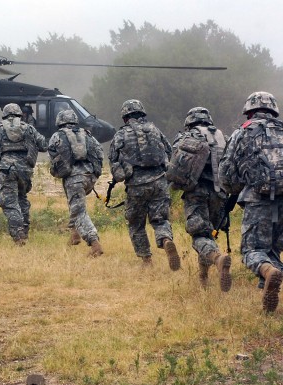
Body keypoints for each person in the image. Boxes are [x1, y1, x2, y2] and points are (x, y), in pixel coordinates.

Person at [219, 91, 283, 312]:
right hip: (281, 202)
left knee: (252, 250)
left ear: (249, 111)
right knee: (274, 249)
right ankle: (267, 304)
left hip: (258, 200)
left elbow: (227, 175)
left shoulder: (243, 133)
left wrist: (237, 189)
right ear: (274, 110)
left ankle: (267, 271)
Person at [108, 99, 181, 270]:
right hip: (159, 182)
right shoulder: (155, 130)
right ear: (142, 114)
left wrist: (121, 175)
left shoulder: (121, 134)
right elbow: (170, 151)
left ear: (125, 117)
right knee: (160, 220)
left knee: (136, 223)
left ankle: (146, 261)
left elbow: (113, 160)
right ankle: (166, 240)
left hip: (136, 186)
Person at [168, 107, 231, 290]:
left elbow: (174, 162)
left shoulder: (186, 137)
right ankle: (203, 278)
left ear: (189, 122)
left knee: (199, 235)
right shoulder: (222, 137)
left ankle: (217, 259)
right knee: (209, 234)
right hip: (220, 194)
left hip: (196, 193)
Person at [0, 103, 47, 245]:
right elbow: (44, 145)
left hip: (7, 169)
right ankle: (25, 231)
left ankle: (18, 234)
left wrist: (2, 156)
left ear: (5, 115)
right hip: (25, 170)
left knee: (9, 201)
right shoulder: (28, 128)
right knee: (22, 198)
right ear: (20, 114)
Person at [48, 109, 104, 256]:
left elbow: (53, 157)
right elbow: (99, 152)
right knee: (76, 205)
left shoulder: (57, 136)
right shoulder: (87, 134)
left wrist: (57, 172)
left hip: (73, 179)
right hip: (89, 177)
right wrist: (95, 174)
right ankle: (74, 235)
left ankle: (94, 244)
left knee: (79, 212)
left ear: (60, 121)